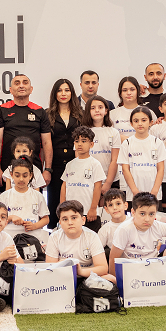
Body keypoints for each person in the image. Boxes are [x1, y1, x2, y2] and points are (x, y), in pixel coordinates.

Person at [0, 74, 54, 189]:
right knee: (7, 200)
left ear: (31, 89)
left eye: (25, 82)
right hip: (7, 170)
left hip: (34, 169)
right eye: (17, 83)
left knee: (34, 200)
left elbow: (46, 142)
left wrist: (47, 169)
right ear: (11, 90)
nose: (21, 86)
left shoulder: (40, 111)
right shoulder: (2, 110)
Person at [46, 201, 114, 283]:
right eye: (65, 219)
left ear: (83, 220)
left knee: (111, 279)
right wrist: (60, 265)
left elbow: (103, 268)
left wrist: (80, 271)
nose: (70, 223)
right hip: (63, 276)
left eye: (74, 218)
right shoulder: (54, 237)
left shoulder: (92, 236)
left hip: (87, 276)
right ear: (60, 223)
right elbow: (50, 269)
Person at [46, 79, 83, 222]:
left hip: (76, 163)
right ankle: (55, 229)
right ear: (54, 94)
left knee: (75, 200)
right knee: (55, 200)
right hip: (55, 165)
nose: (63, 94)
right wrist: (47, 168)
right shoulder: (47, 114)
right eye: (60, 90)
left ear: (72, 93)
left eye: (67, 90)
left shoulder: (81, 114)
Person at [61, 127, 106, 233]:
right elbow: (64, 186)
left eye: (84, 141)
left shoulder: (95, 164)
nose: (80, 144)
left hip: (89, 212)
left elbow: (98, 187)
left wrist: (93, 208)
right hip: (71, 213)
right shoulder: (70, 164)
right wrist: (62, 208)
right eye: (77, 141)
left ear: (91, 144)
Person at [118, 106, 166, 203]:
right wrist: (135, 191)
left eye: (144, 120)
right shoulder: (127, 143)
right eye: (136, 121)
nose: (140, 123)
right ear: (131, 124)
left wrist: (155, 191)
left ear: (151, 122)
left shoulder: (157, 142)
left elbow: (161, 169)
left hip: (154, 194)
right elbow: (125, 169)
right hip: (133, 194)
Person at [0, 156, 50, 240]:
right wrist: (11, 217)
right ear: (11, 175)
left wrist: (34, 226)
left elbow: (46, 219)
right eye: (17, 175)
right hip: (9, 237)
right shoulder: (4, 196)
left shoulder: (37, 195)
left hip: (32, 237)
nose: (21, 179)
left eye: (25, 176)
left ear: (30, 175)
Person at [83, 96, 120, 194]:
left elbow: (114, 160)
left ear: (106, 111)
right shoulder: (83, 132)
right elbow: (80, 159)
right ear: (88, 111)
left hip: (111, 181)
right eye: (93, 108)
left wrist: (108, 183)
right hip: (89, 181)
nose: (97, 110)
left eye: (100, 107)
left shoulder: (113, 132)